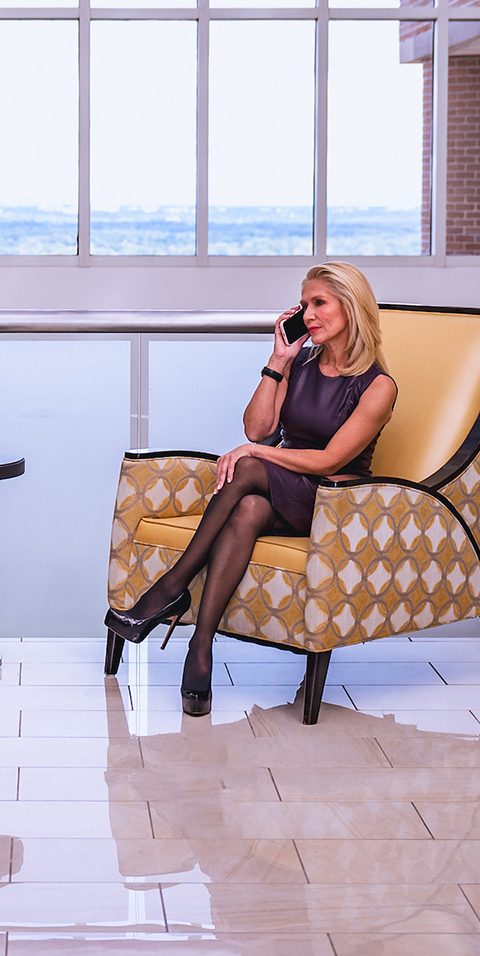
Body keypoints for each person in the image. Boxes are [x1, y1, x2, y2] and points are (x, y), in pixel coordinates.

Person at [105, 262, 398, 717]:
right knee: (247, 511)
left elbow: (327, 460)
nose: (308, 314)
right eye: (304, 304)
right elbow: (258, 428)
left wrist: (256, 454)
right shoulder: (302, 363)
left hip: (332, 500)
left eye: (319, 303)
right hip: (280, 487)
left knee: (246, 466)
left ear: (351, 306)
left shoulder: (378, 385)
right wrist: (278, 361)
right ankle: (200, 648)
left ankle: (171, 587)